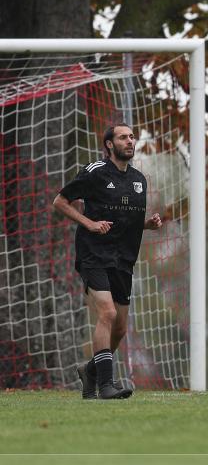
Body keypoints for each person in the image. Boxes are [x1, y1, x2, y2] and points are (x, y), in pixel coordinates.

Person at [53, 124, 163, 400]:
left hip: (124, 259)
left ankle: (90, 371)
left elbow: (129, 221)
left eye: (132, 137)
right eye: (123, 137)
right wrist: (89, 223)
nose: (130, 141)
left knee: (121, 328)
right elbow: (60, 201)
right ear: (110, 145)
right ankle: (106, 385)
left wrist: (147, 225)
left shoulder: (139, 180)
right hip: (94, 255)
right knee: (108, 314)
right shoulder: (95, 172)